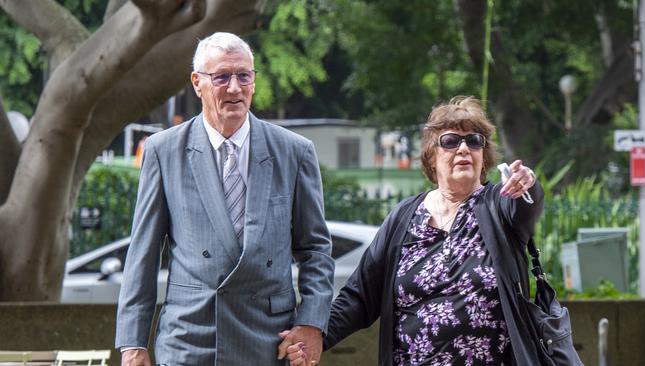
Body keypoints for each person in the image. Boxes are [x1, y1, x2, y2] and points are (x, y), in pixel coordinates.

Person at [115, 32, 334, 366]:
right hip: (189, 338)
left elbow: (315, 249)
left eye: (243, 75)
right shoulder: (164, 150)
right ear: (197, 83)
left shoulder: (294, 151)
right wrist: (133, 342)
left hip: (268, 339)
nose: (234, 88)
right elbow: (143, 253)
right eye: (221, 77)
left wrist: (311, 323)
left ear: (254, 81)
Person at [281, 96, 543, 365]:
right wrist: (315, 333)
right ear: (432, 156)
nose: (464, 148)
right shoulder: (405, 216)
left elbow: (526, 208)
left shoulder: (499, 205)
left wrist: (527, 183)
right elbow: (360, 296)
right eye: (451, 141)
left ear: (483, 154)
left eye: (474, 141)